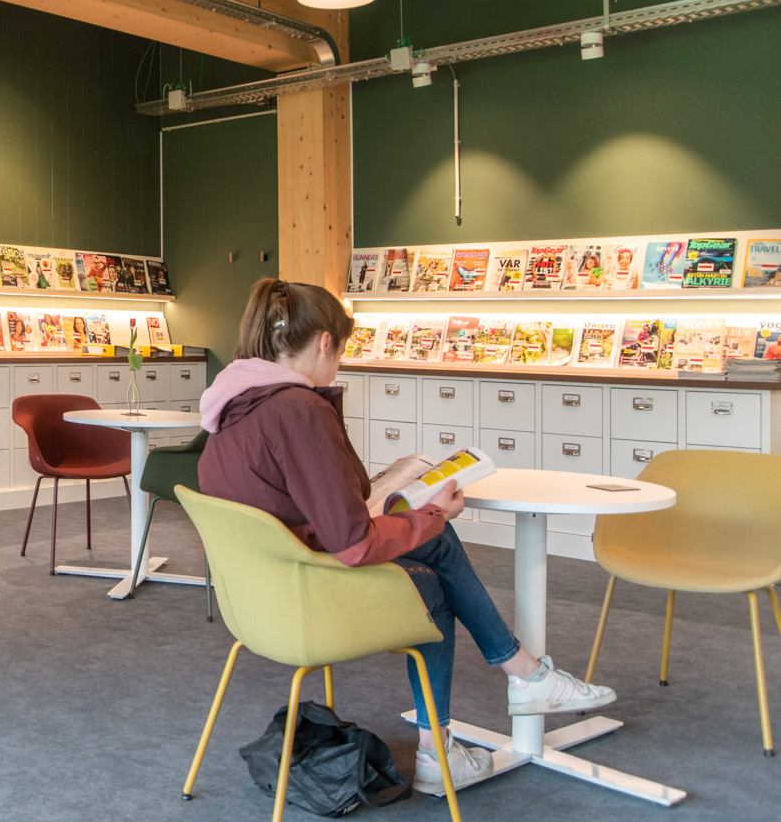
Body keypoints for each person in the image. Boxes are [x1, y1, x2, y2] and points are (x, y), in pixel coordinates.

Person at [197, 278, 615, 795]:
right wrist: (431, 512)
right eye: (341, 352)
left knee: (430, 541)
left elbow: (298, 504)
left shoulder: (233, 406)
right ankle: (493, 703)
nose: (338, 365)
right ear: (325, 343)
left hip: (259, 598)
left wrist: (397, 503)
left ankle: (518, 680)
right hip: (309, 596)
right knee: (431, 572)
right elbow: (354, 545)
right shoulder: (298, 411)